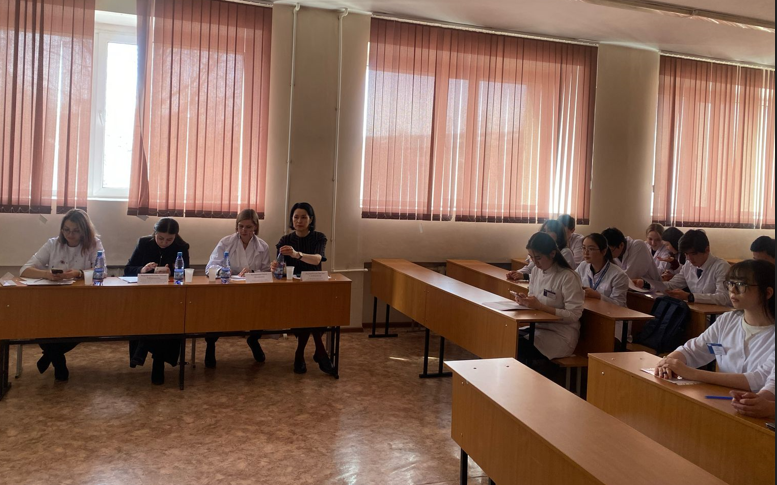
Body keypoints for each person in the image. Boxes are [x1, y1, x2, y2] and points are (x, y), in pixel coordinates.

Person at [655, 260, 775, 393]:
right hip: (722, 398)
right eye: (730, 283)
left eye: (741, 285)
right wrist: (669, 362)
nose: (732, 290)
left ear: (767, 293)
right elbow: (693, 350)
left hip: (758, 402)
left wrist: (692, 373)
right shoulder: (727, 320)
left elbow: (758, 380)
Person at [20, 209, 105, 382]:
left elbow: (102, 270)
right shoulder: (53, 244)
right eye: (66, 230)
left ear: (84, 231)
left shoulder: (94, 244)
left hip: (81, 301)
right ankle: (58, 360)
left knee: (83, 330)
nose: (70, 235)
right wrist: (47, 274)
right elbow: (25, 270)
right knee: (41, 329)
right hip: (53, 300)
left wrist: (78, 273)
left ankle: (51, 356)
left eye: (75, 231)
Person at [270, 202, 334, 376]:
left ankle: (300, 354)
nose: (299, 221)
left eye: (304, 217)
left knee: (312, 312)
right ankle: (320, 352)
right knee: (307, 312)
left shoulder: (319, 237)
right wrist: (275, 266)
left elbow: (317, 259)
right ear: (292, 219)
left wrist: (296, 254)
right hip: (293, 289)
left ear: (310, 219)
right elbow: (280, 269)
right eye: (296, 217)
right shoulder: (285, 240)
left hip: (315, 286)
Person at [124, 218, 189, 384]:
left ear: (175, 236)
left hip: (170, 297)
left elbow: (186, 273)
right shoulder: (144, 243)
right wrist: (143, 269)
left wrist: (172, 271)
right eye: (160, 238)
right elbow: (127, 270)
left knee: (164, 317)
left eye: (169, 239)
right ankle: (154, 358)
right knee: (150, 315)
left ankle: (152, 357)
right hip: (145, 296)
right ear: (154, 233)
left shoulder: (181, 247)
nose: (164, 243)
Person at [203, 209, 271, 368]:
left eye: (248, 227)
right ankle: (210, 345)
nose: (244, 230)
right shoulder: (226, 242)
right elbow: (210, 267)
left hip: (252, 291)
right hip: (227, 290)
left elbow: (267, 272)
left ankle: (253, 339)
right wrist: (224, 271)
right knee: (217, 314)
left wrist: (252, 272)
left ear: (255, 227)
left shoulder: (263, 246)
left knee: (260, 313)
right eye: (241, 226)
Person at [512, 232, 585, 372]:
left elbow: (574, 315)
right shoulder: (536, 272)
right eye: (532, 258)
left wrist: (540, 306)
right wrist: (525, 301)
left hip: (560, 335)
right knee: (506, 336)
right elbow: (533, 298)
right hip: (538, 328)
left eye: (538, 258)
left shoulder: (568, 277)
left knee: (517, 346)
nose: (535, 262)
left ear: (552, 253)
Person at [661, 229, 731, 306]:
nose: (689, 258)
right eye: (686, 254)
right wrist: (653, 285)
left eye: (693, 254)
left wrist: (691, 297)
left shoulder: (721, 267)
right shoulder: (688, 265)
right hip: (698, 310)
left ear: (707, 250)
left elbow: (724, 297)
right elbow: (672, 284)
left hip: (719, 312)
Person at [508, 220, 575, 282]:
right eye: (544, 231)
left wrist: (524, 276)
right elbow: (530, 268)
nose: (545, 233)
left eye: (549, 231)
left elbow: (552, 276)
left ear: (558, 234)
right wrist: (516, 273)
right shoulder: (537, 254)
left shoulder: (565, 252)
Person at [602, 227, 664, 292]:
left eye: (610, 251)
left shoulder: (638, 245)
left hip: (652, 291)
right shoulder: (616, 253)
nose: (608, 254)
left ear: (621, 245)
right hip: (632, 290)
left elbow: (627, 277)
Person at [576, 233, 630, 307]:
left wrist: (598, 296)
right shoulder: (583, 266)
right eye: (584, 248)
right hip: (587, 309)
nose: (586, 252)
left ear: (603, 251)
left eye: (591, 249)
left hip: (608, 313)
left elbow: (619, 304)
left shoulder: (619, 275)